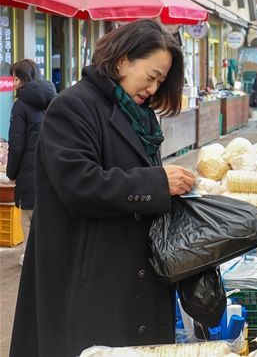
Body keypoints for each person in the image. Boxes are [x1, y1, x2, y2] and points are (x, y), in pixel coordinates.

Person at [9, 19, 197, 357]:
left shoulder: (138, 114)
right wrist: (158, 182)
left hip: (135, 271)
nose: (154, 88)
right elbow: (79, 184)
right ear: (122, 61)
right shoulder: (72, 107)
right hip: (89, 275)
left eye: (161, 81)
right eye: (151, 76)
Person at [6, 59, 56, 266]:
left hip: (29, 170)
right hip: (52, 169)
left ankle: (31, 261)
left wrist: (11, 173)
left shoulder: (20, 106)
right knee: (47, 217)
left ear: (24, 79)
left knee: (28, 219)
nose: (14, 83)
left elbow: (16, 145)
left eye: (16, 79)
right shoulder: (52, 101)